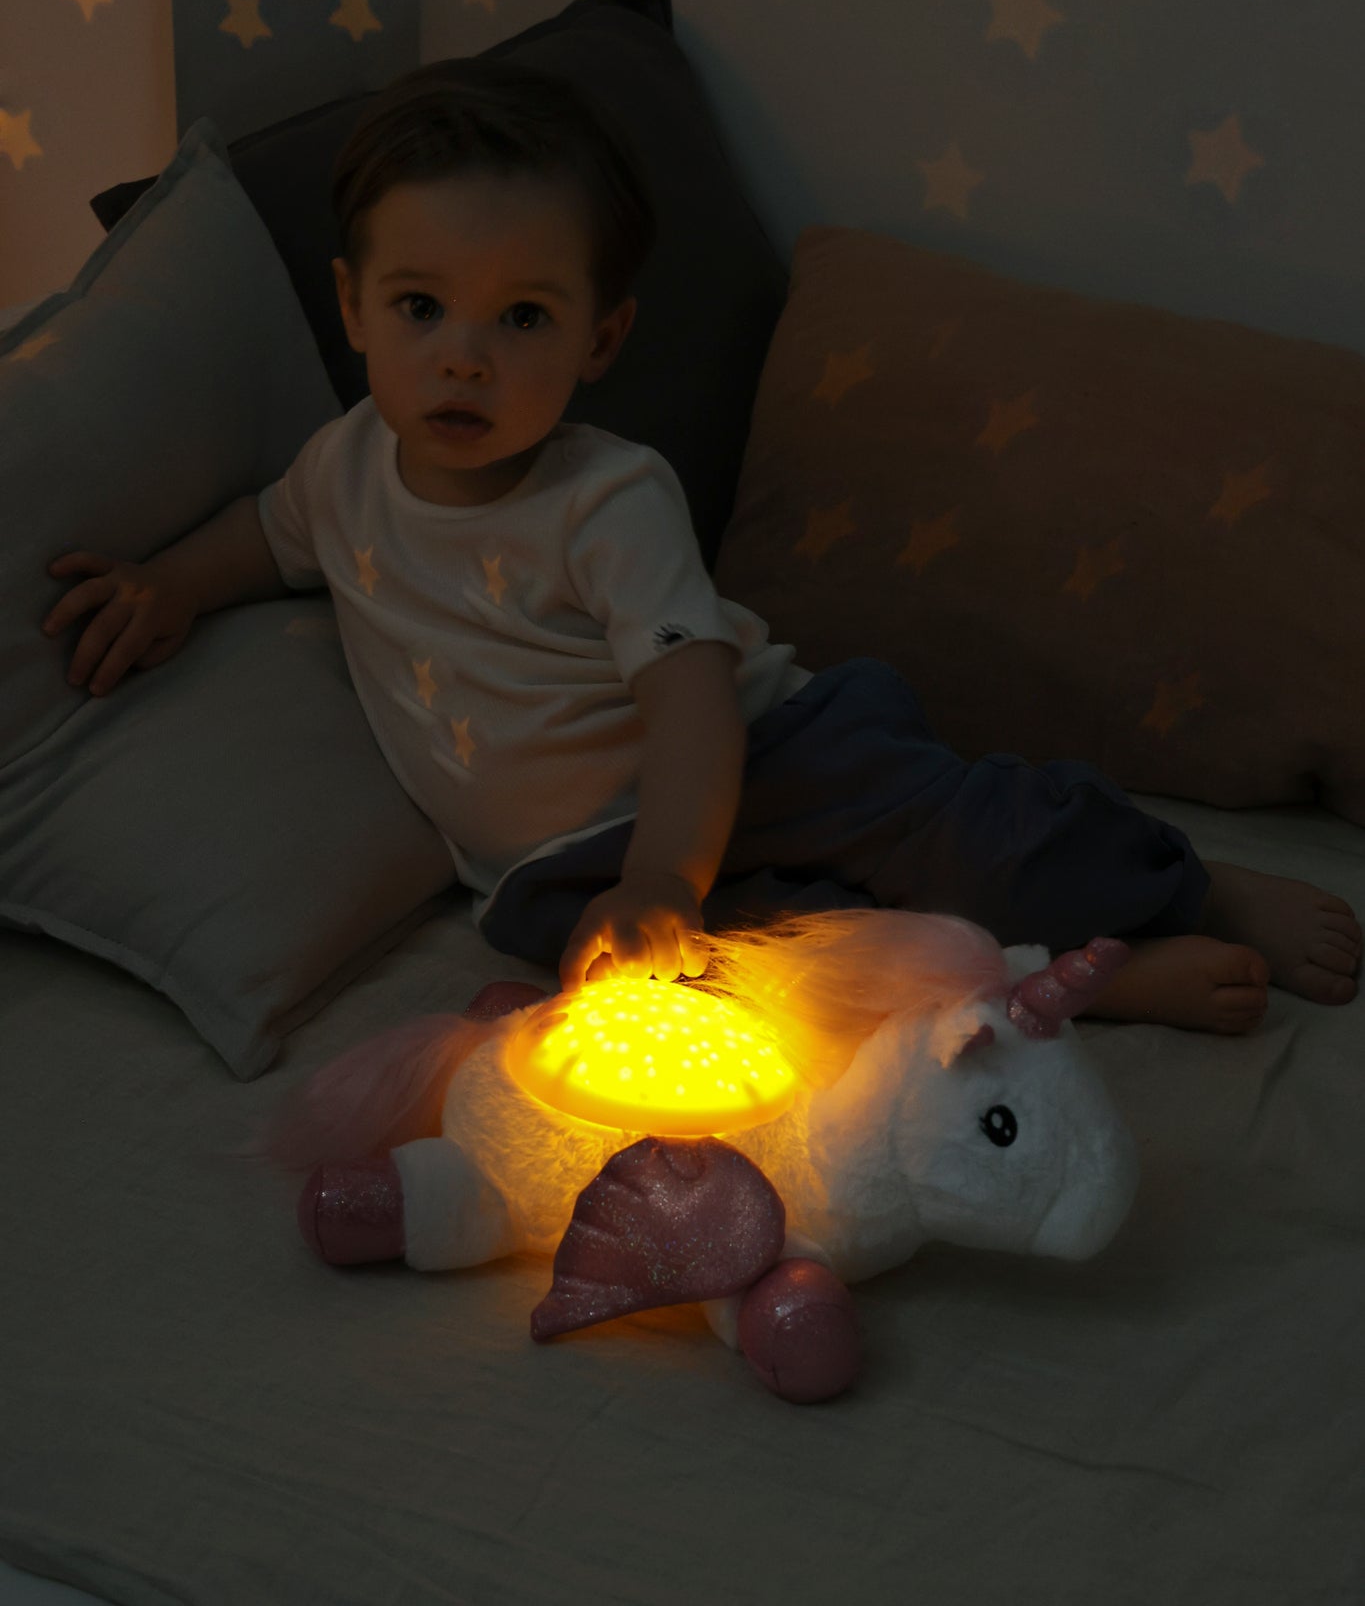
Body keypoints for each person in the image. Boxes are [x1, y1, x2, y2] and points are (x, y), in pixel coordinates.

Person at [40, 60, 1360, 1036]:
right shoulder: (341, 469)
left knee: (972, 834)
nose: (463, 354)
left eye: (522, 318)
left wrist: (672, 866)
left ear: (598, 340)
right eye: (422, 306)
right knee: (768, 976)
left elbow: (686, 701)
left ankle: (1179, 890)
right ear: (352, 307)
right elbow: (260, 539)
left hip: (766, 754)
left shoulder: (604, 498)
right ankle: (1071, 986)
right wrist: (167, 584)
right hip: (558, 867)